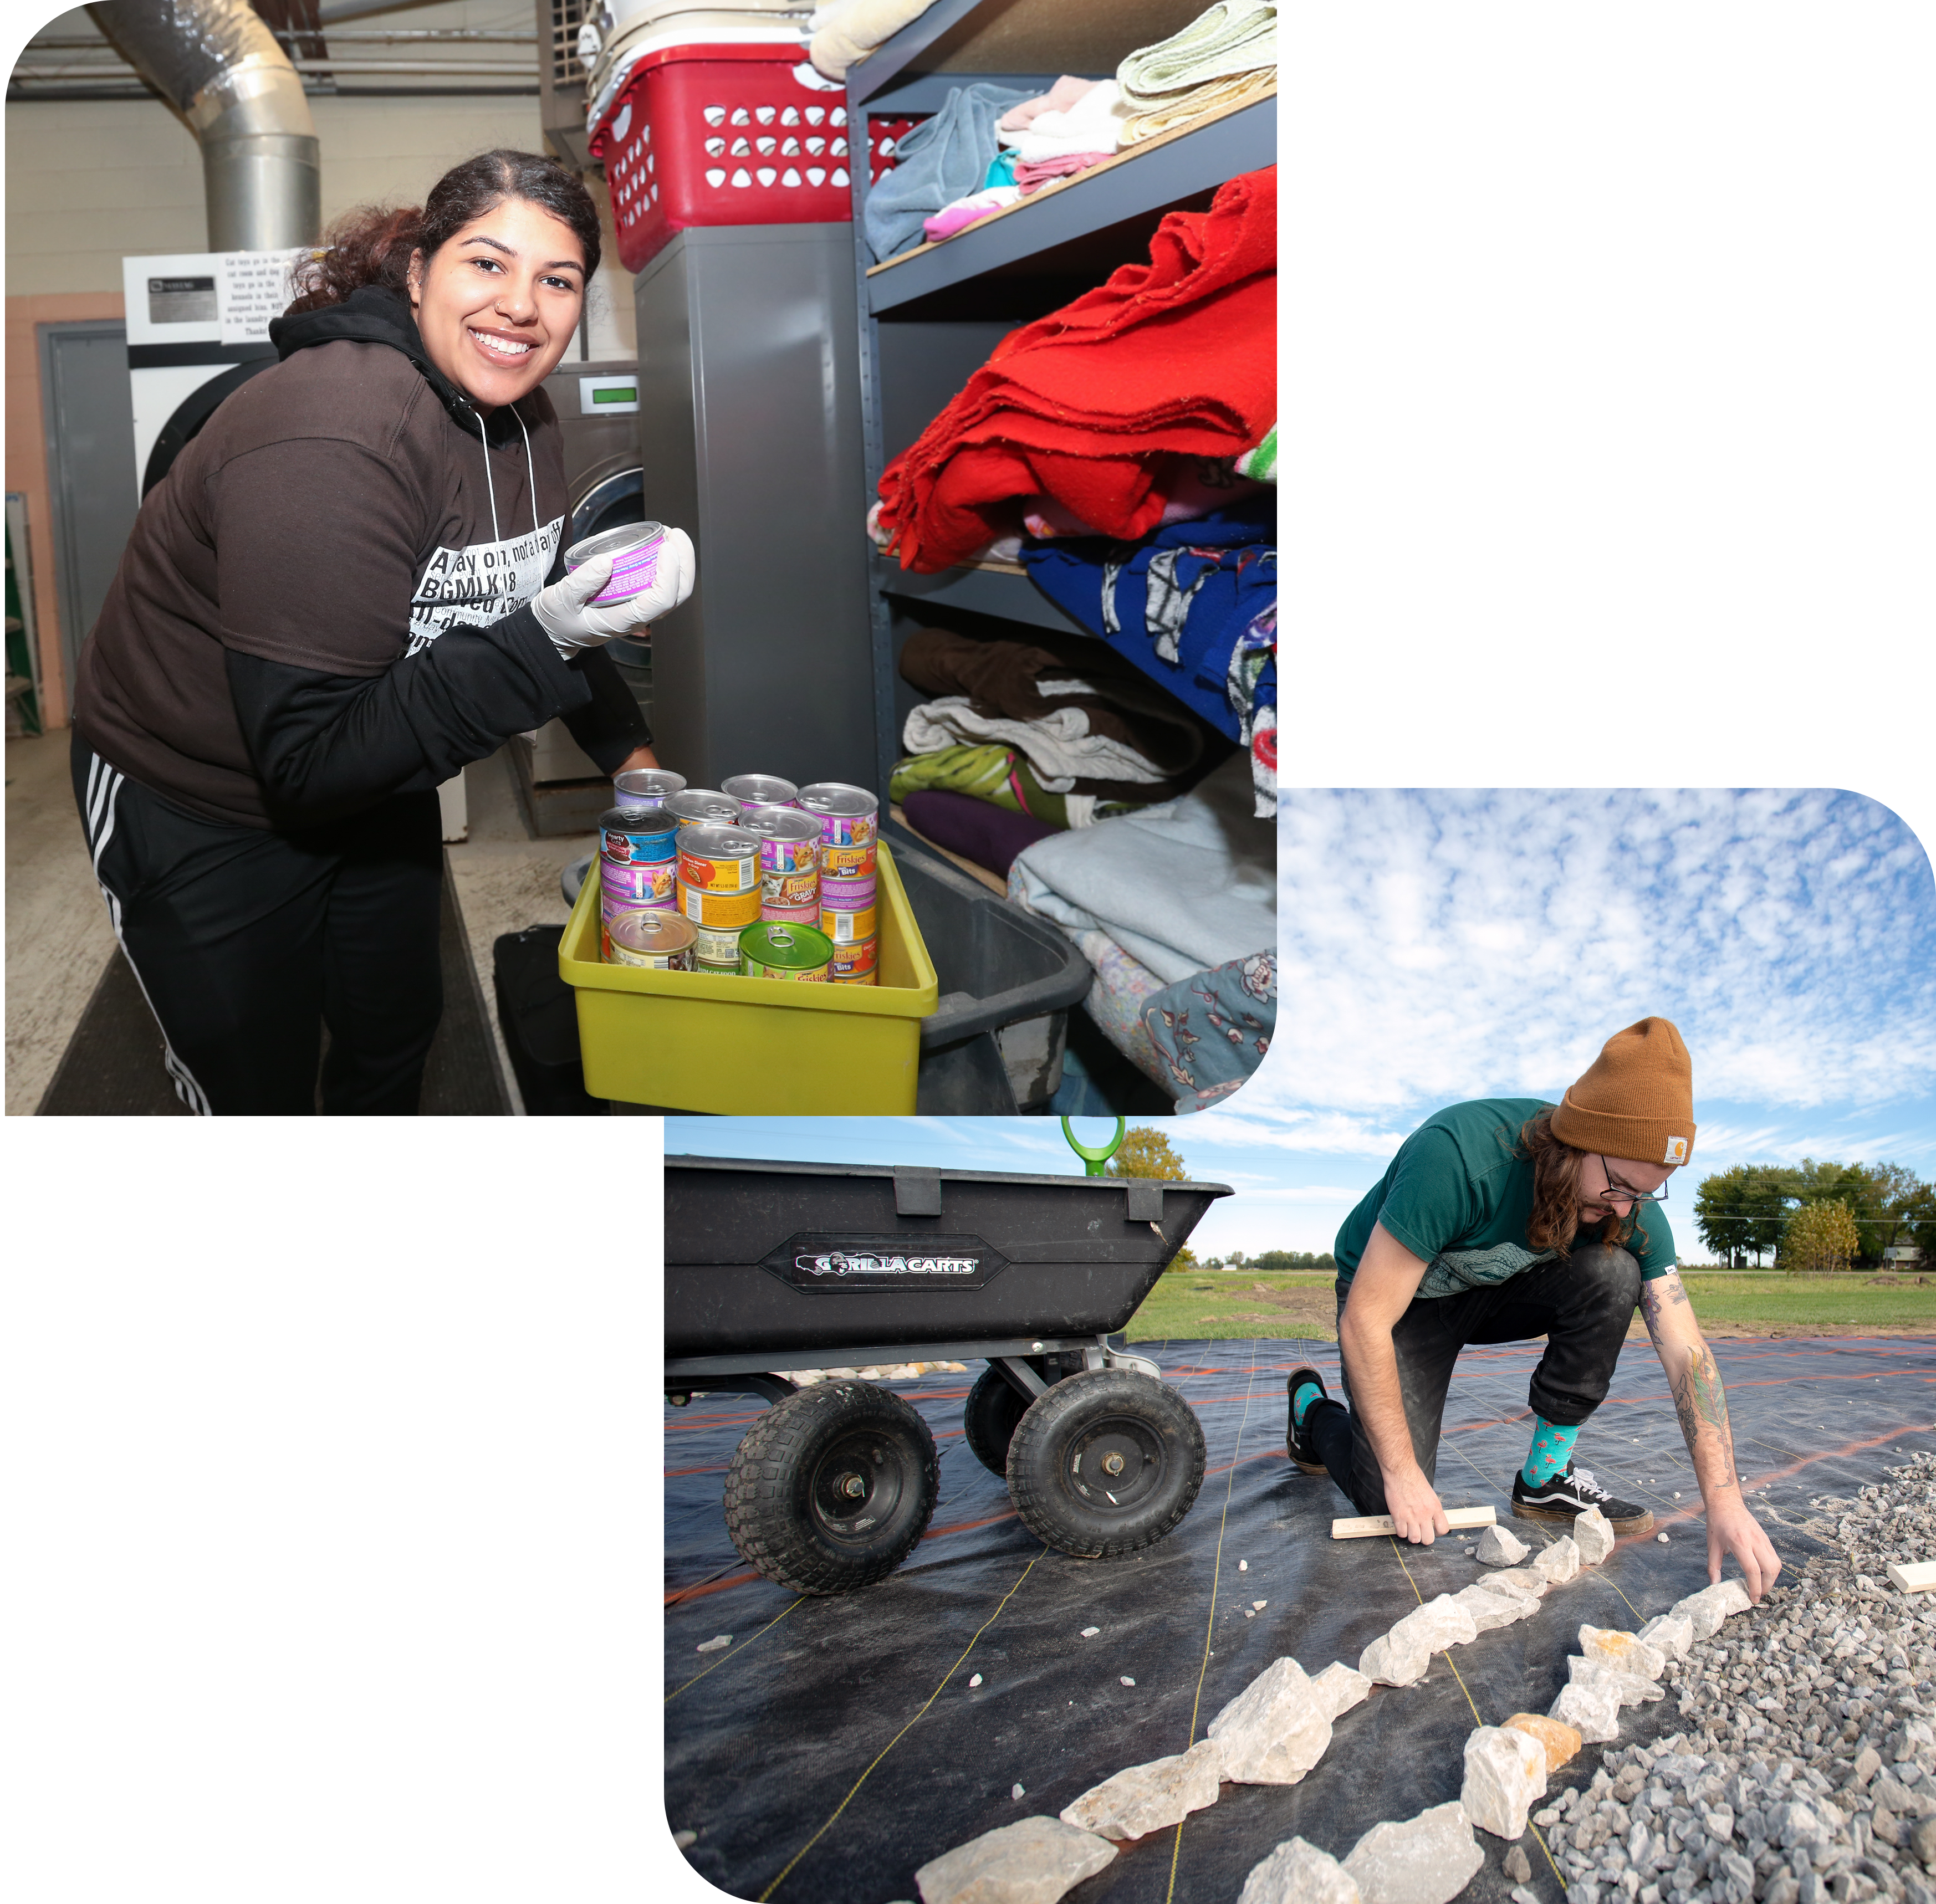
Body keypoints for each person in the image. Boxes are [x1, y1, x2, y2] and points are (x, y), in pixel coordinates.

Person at [69, 150, 693, 1115]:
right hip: (200, 796)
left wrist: (637, 766)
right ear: (418, 273)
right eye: (487, 263)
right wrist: (543, 639)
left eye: (556, 279)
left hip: (376, 764)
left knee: (393, 1029)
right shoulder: (335, 430)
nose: (520, 306)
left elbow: (536, 607)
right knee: (249, 1083)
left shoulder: (524, 417)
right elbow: (307, 759)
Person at [1285, 1017, 1782, 1599]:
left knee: (1613, 1270)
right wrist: (1400, 1473)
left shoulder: (1626, 1206)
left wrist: (1724, 1502)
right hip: (1400, 1305)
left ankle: (1545, 1479)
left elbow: (1685, 1350)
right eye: (1620, 1186)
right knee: (1386, 1499)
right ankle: (1311, 1411)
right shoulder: (1457, 1158)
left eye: (1645, 1194)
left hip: (1492, 1293)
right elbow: (1364, 1319)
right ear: (1576, 1140)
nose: (1626, 1209)